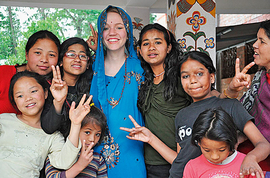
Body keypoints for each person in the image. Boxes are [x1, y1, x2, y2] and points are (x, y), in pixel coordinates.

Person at [169, 51, 270, 178]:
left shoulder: (230, 106)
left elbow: (263, 144)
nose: (193, 81)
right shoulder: (181, 115)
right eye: (185, 76)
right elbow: (181, 156)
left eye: (199, 74)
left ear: (211, 77)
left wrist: (251, 158)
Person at [120, 23, 191, 177]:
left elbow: (210, 100)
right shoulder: (141, 80)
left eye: (158, 42)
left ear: (169, 47)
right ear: (139, 51)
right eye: (146, 44)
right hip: (148, 163)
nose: (151, 47)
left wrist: (231, 90)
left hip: (179, 162)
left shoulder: (180, 77)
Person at [0, 71, 92, 177]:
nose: (28, 98)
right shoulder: (3, 120)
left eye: (33, 91)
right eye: (20, 96)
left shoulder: (53, 136)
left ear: (45, 93)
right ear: (14, 101)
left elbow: (64, 162)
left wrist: (76, 124)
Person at [89, 5, 146, 178]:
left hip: (132, 152)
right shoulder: (90, 69)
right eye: (106, 28)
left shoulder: (142, 68)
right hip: (95, 156)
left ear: (128, 32)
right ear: (101, 34)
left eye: (119, 27)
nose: (112, 32)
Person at [221, 19, 270, 171]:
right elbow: (238, 114)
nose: (254, 45)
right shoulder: (260, 78)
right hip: (247, 162)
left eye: (262, 41)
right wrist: (232, 89)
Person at [183, 108, 267, 178]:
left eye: (222, 150)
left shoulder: (247, 165)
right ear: (198, 143)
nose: (215, 157)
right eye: (207, 150)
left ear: (231, 142)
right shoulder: (192, 167)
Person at [41, 37, 93, 139]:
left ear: (87, 64)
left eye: (82, 56)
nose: (77, 59)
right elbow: (48, 128)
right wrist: (58, 101)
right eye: (71, 54)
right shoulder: (48, 87)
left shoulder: (91, 88)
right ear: (61, 61)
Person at [0, 30, 60, 114]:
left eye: (51, 55)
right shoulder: (2, 73)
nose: (44, 60)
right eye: (38, 53)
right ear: (26, 54)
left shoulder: (57, 85)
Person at [45, 105, 108, 178]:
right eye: (87, 132)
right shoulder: (58, 152)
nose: (92, 139)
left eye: (97, 134)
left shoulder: (97, 159)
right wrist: (80, 165)